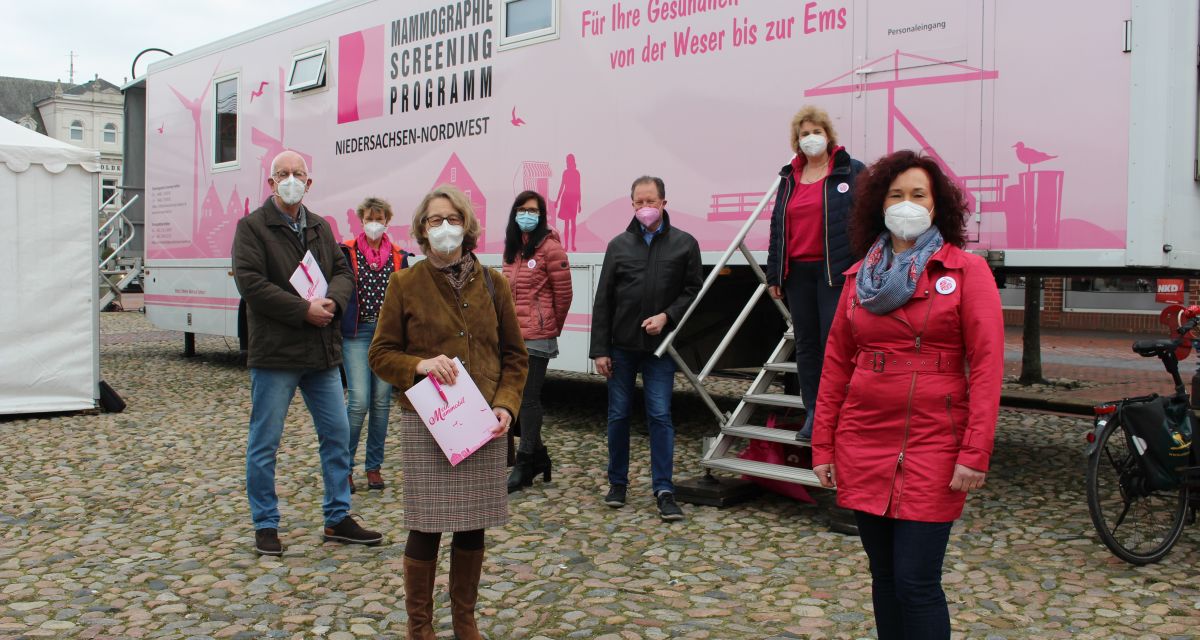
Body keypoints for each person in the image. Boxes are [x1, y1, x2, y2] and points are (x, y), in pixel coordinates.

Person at [811, 150, 1003, 638]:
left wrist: (974, 451)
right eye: (896, 195)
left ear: (937, 207)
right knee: (884, 577)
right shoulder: (858, 279)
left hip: (934, 444)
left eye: (918, 195)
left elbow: (986, 366)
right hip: (864, 440)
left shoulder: (965, 272)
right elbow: (834, 366)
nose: (907, 204)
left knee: (918, 582)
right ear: (879, 204)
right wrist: (823, 445)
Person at [369, 185, 528, 640]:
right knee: (427, 525)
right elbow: (380, 355)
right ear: (422, 229)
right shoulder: (406, 283)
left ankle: (465, 621)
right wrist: (418, 365)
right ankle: (419, 626)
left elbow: (516, 357)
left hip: (482, 423)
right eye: (435, 220)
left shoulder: (494, 283)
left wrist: (506, 406)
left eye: (452, 218)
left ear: (467, 225)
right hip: (429, 424)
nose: (444, 227)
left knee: (472, 524)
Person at [231, 150, 383, 556]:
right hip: (276, 355)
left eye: (298, 173)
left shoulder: (319, 227)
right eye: (283, 174)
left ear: (309, 182)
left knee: (336, 435)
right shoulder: (251, 228)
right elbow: (251, 285)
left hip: (320, 355)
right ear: (271, 183)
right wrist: (304, 310)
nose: (291, 179)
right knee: (265, 442)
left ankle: (338, 517)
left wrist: (332, 301)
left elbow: (343, 272)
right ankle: (266, 523)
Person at [590, 176, 702, 522]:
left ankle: (664, 489)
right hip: (621, 348)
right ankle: (617, 483)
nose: (644, 207)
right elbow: (604, 301)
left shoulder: (685, 244)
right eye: (638, 202)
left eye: (650, 201)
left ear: (665, 203)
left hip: (659, 349)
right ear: (632, 205)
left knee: (659, 416)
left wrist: (667, 316)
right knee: (619, 415)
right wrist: (600, 350)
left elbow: (693, 290)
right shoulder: (618, 245)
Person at [765, 105, 865, 442]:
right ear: (797, 139)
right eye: (804, 133)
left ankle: (839, 412)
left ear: (828, 134)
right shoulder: (790, 178)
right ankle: (814, 414)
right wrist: (774, 274)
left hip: (835, 272)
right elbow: (778, 226)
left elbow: (868, 219)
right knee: (807, 346)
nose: (811, 138)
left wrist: (865, 264)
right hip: (798, 274)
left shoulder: (850, 171)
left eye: (816, 131)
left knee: (834, 344)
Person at [502, 191, 573, 492]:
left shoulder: (551, 247)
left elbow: (564, 294)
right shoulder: (514, 249)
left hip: (538, 338)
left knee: (528, 400)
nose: (526, 214)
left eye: (532, 210)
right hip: (512, 336)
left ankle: (525, 462)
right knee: (514, 400)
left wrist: (549, 326)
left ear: (542, 215)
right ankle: (541, 458)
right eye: (521, 209)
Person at [340, 197, 410, 493]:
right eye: (369, 217)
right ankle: (343, 468)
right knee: (358, 402)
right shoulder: (347, 251)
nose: (374, 223)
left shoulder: (398, 256)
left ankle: (374, 468)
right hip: (356, 333)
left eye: (379, 218)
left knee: (381, 403)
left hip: (386, 337)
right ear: (361, 219)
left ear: (387, 221)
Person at [554, 153, 582, 251]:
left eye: (568, 161)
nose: (567, 163)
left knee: (573, 222)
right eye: (567, 162)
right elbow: (562, 186)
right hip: (566, 198)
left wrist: (579, 204)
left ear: (572, 162)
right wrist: (557, 200)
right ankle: (566, 245)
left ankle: (572, 245)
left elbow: (578, 188)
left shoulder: (576, 173)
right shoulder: (565, 172)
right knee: (567, 223)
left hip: (573, 199)